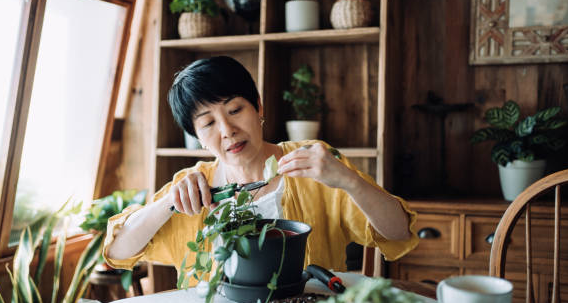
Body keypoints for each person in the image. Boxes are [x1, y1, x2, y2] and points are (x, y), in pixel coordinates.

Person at [104, 56, 418, 284]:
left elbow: (399, 233)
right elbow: (118, 251)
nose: (227, 130)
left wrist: (349, 181)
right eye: (209, 123)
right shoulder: (193, 185)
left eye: (235, 110)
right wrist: (167, 203)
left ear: (259, 107)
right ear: (197, 137)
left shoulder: (314, 164)